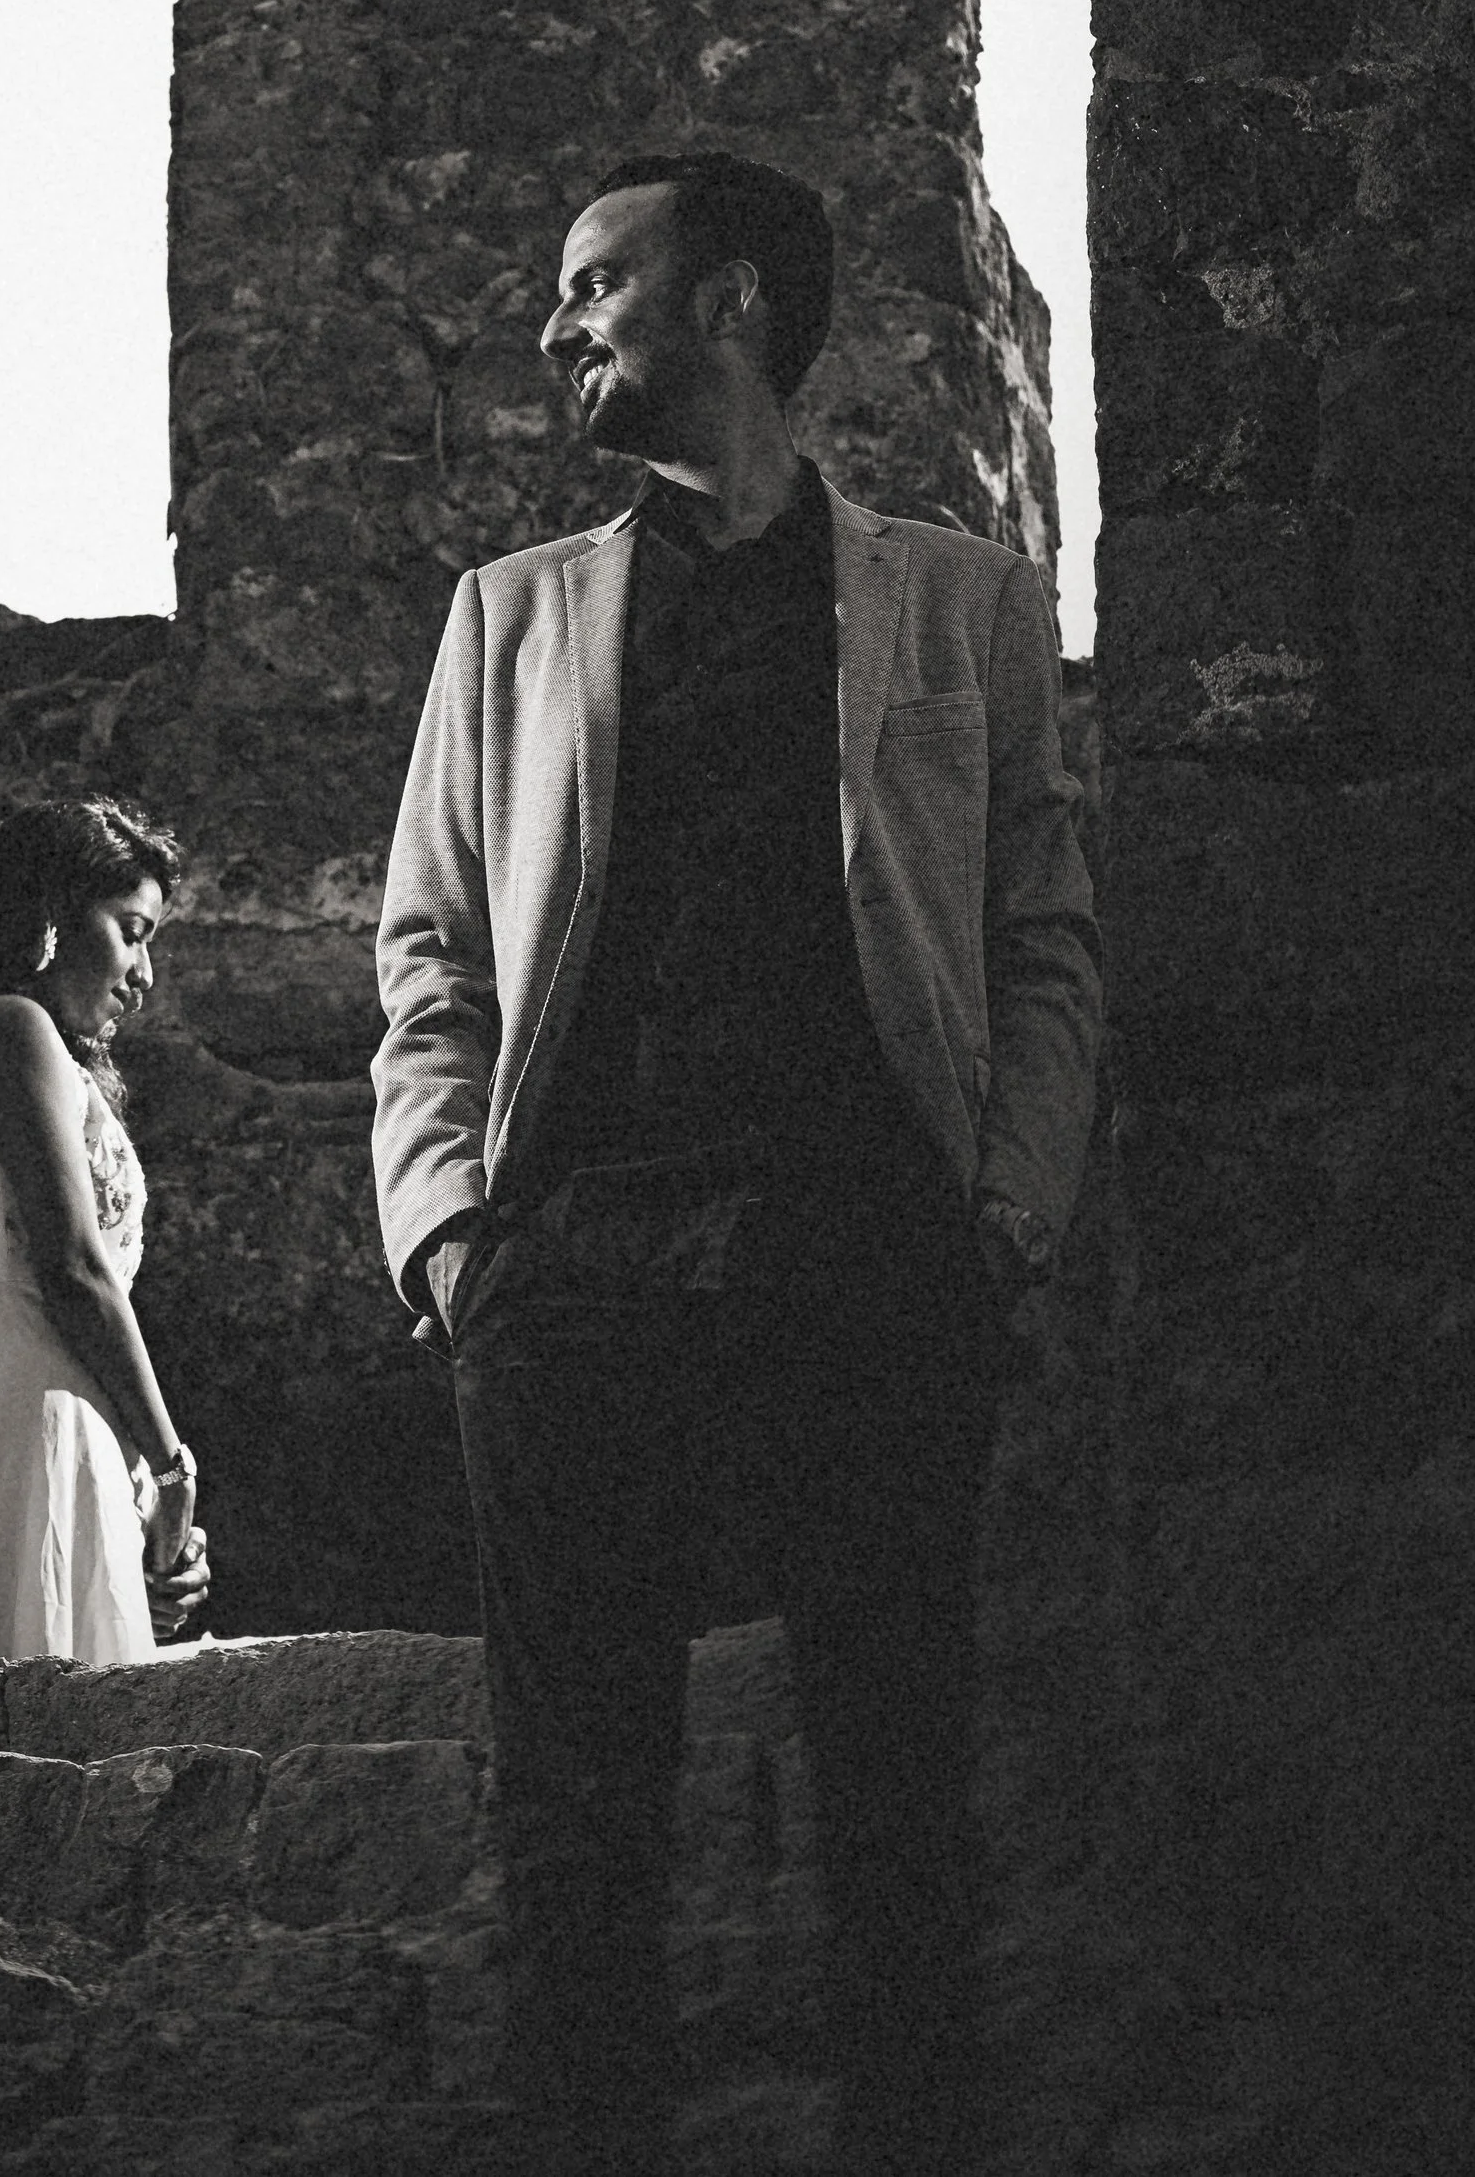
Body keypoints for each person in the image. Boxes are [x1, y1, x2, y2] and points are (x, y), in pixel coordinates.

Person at [371, 147, 1101, 2177]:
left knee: (897, 1802)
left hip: (868, 1254)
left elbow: (1040, 930)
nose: (552, 321)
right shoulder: (504, 622)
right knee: (573, 1818)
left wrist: (1003, 1222)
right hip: (573, 1274)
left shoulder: (958, 602)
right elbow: (425, 954)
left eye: (594, 275)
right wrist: (448, 1235)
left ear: (729, 305)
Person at [0, 794, 210, 1670]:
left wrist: (149, 1512)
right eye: (132, 930)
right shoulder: (2, 1028)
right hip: (20, 1421)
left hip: (66, 1425)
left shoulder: (37, 1052)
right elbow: (72, 1268)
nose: (144, 975)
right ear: (54, 914)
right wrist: (174, 1463)